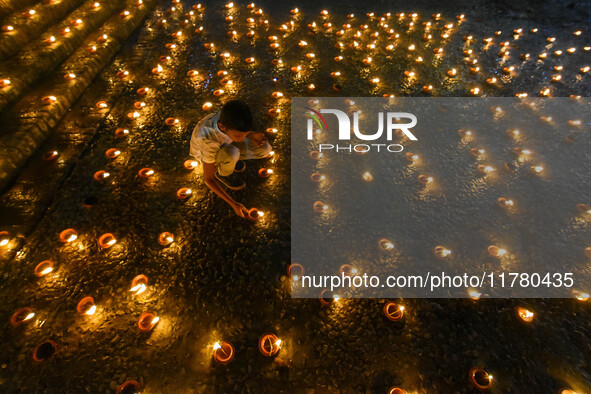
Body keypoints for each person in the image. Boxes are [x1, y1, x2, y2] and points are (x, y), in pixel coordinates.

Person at [189, 100, 272, 219]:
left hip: (227, 143)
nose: (243, 139)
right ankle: (224, 172)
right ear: (222, 127)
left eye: (245, 133)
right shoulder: (208, 140)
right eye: (239, 136)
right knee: (232, 153)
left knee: (265, 148)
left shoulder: (228, 118)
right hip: (212, 155)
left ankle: (230, 160)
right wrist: (233, 204)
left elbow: (240, 132)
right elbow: (208, 179)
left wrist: (250, 135)